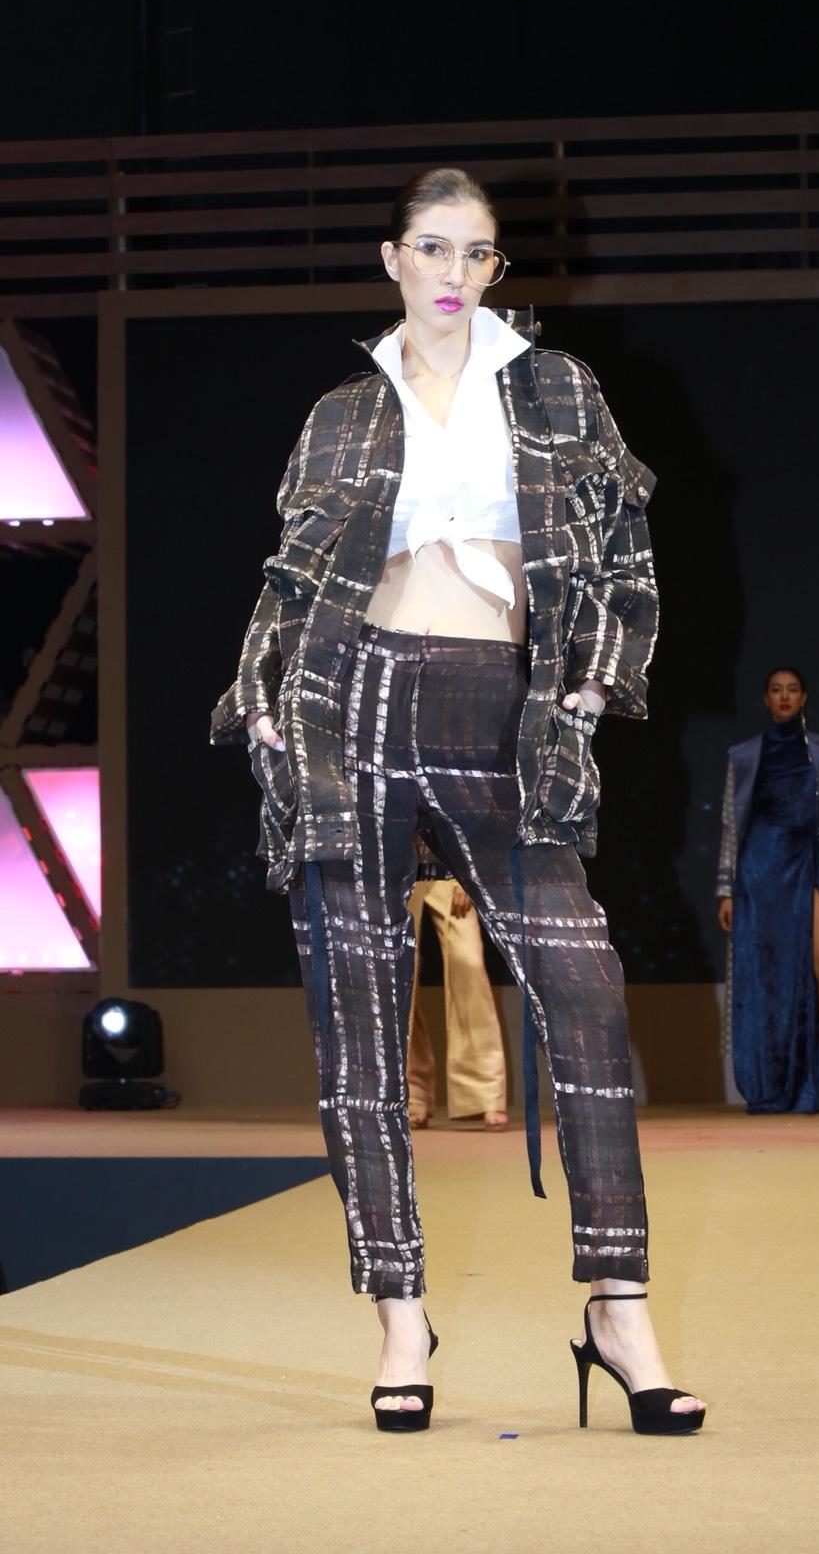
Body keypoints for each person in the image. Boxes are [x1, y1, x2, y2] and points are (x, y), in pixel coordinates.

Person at [211, 168, 704, 1435]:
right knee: (360, 1028)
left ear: (494, 268)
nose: (451, 270)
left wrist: (587, 689)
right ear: (392, 257)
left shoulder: (555, 387)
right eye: (430, 247)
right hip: (350, 704)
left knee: (585, 991)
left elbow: (623, 560)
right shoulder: (340, 412)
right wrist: (263, 697)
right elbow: (288, 581)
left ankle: (619, 1308)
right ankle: (400, 1318)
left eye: (475, 251)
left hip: (501, 708)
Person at [716, 668, 819, 1115]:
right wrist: (726, 887)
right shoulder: (744, 755)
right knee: (768, 978)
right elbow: (731, 825)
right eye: (777, 691)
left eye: (793, 690)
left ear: (804, 698)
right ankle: (775, 1080)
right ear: (766, 699)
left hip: (806, 864)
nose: (784, 697)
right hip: (759, 872)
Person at [406, 876, 509, 1131]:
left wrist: (467, 876)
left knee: (469, 964)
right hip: (401, 868)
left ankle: (485, 1093)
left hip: (448, 868)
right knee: (401, 976)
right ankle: (413, 1095)